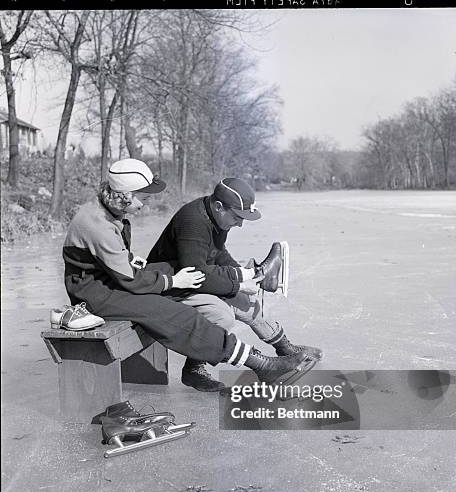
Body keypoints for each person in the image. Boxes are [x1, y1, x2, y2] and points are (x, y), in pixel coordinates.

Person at [62, 159, 313, 391]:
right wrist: (172, 281)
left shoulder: (107, 211)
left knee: (196, 296)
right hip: (95, 293)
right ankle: (260, 364)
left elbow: (113, 260)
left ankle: (268, 346)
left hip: (107, 280)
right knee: (172, 313)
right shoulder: (98, 224)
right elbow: (129, 278)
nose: (145, 203)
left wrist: (130, 260)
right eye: (143, 198)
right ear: (125, 195)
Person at [147, 177, 323, 392]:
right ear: (219, 206)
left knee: (247, 301)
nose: (240, 223)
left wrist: (246, 278)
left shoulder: (217, 216)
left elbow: (218, 254)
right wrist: (238, 282)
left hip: (195, 278)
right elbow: (196, 273)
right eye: (237, 217)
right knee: (222, 315)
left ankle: (284, 348)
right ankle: (194, 369)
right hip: (170, 285)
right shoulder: (193, 221)